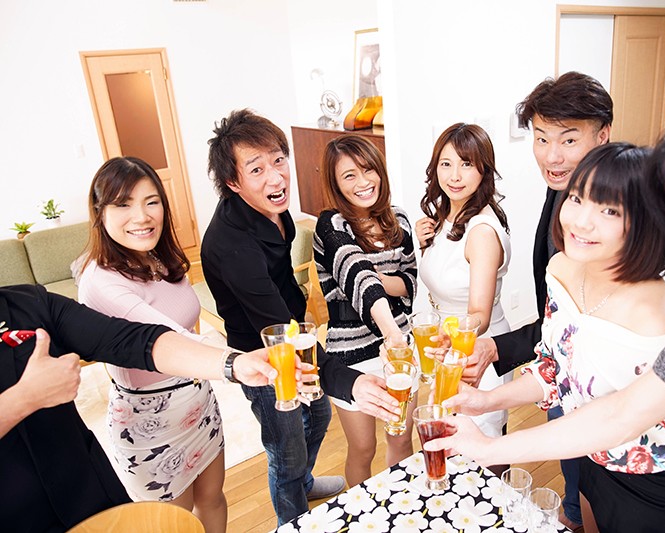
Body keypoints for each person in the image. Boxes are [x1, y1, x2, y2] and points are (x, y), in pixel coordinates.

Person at [423, 83, 665, 532]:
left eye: (609, 211)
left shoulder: (661, 316)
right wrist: (487, 400)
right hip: (590, 454)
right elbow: (560, 370)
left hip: (655, 481)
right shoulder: (564, 267)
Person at [201, 109, 399, 524]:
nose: (276, 178)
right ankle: (291, 518)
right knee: (285, 447)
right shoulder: (231, 246)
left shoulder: (274, 210)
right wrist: (351, 381)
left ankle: (303, 483)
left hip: (292, 329)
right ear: (233, 182)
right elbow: (276, 328)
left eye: (278, 160)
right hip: (261, 352)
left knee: (320, 414)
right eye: (257, 169)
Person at [0, 284, 283, 532]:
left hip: (88, 492)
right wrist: (23, 398)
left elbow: (128, 339)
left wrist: (233, 364)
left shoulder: (28, 303)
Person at [459, 72, 612, 529]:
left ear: (603, 135)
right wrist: (496, 349)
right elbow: (559, 320)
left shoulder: (615, 218)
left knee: (599, 501)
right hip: (562, 382)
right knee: (576, 493)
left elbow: (587, 328)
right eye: (542, 138)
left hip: (612, 406)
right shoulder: (561, 191)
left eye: (569, 139)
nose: (552, 155)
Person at [77, 157, 228, 532]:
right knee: (174, 525)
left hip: (198, 402)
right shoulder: (99, 281)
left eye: (151, 201)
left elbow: (188, 317)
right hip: (150, 425)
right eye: (123, 204)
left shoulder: (159, 257)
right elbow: (169, 336)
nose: (142, 216)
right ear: (100, 212)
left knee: (213, 499)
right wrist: (238, 362)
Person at [314, 134, 417, 486]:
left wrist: (383, 281)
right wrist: (391, 333)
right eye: (349, 176)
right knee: (363, 449)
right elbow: (358, 276)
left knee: (401, 438)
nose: (363, 182)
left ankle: (401, 505)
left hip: (400, 350)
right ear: (336, 184)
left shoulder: (399, 219)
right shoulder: (330, 225)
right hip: (352, 355)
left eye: (368, 170)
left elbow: (410, 283)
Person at [415, 123, 512, 447]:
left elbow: (479, 316)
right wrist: (425, 244)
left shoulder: (481, 231)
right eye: (446, 164)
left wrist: (448, 338)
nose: (454, 176)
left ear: (484, 169)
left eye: (466, 164)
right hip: (447, 345)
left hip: (474, 349)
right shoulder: (444, 216)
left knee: (479, 444)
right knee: (450, 438)